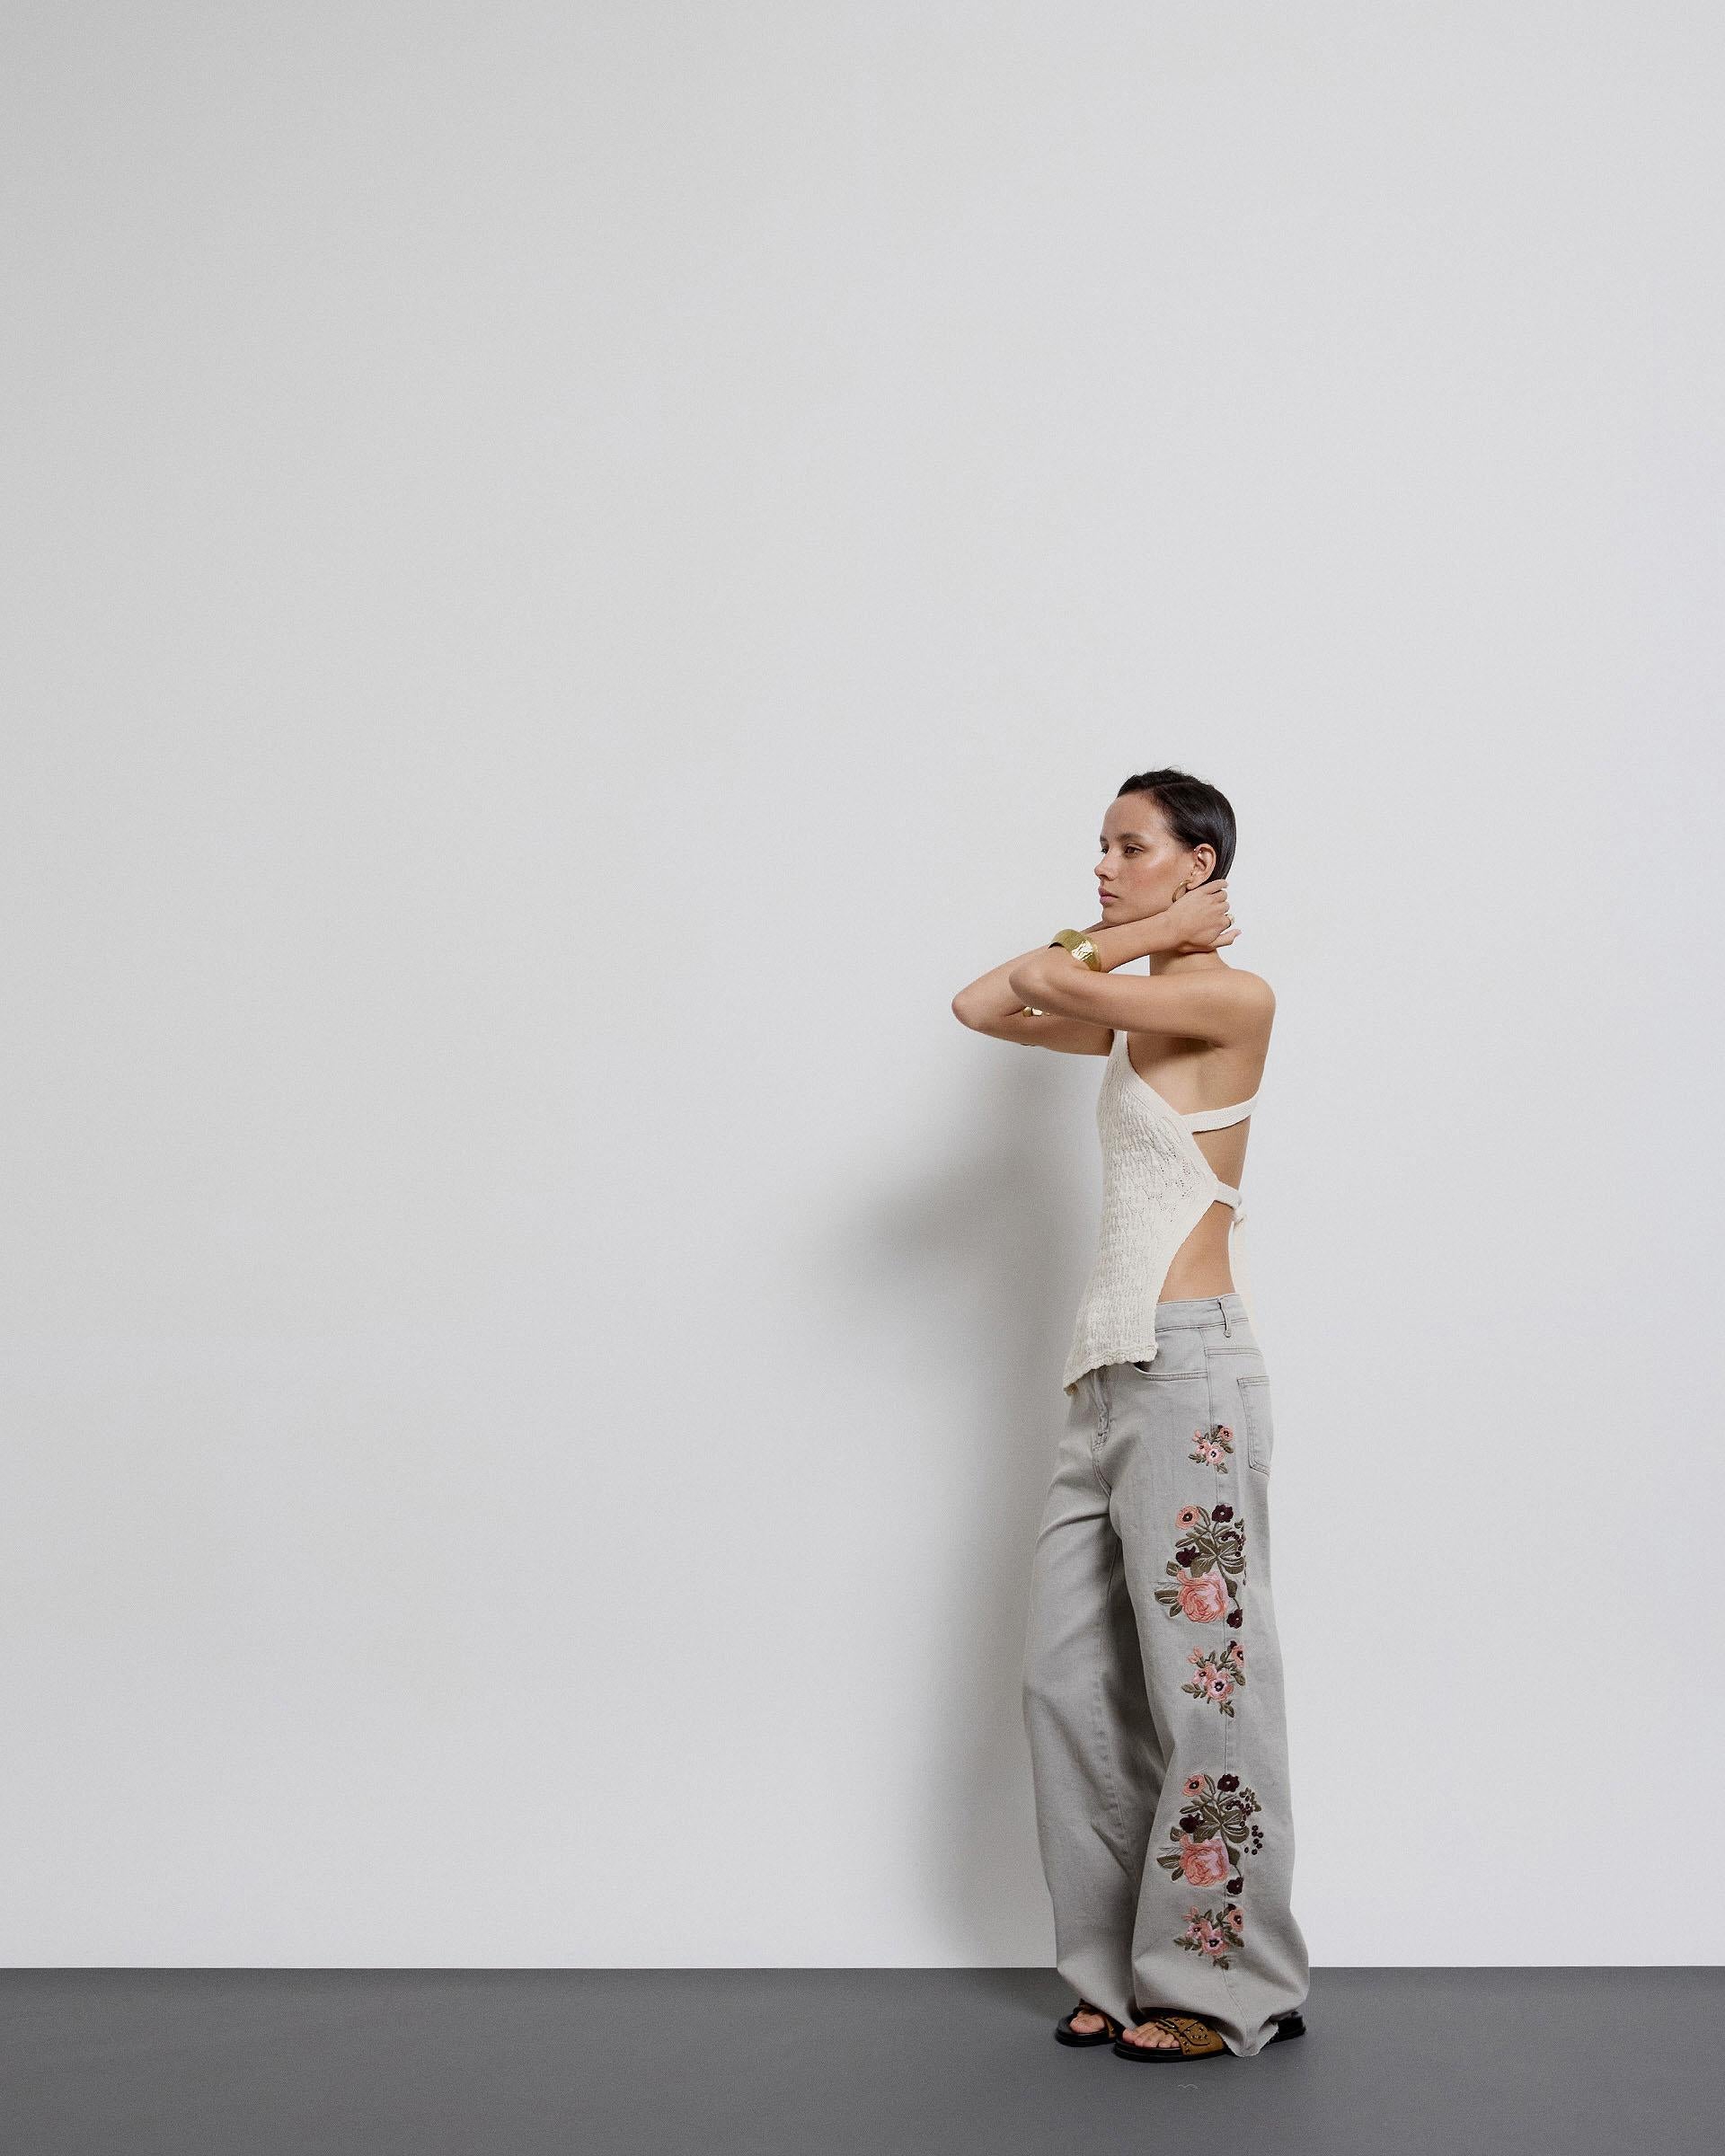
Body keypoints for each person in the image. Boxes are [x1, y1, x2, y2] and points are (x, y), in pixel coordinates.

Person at [950, 768, 1311, 2063]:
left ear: (1200, 864)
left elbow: (1045, 979)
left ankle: (1225, 1988)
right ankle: (1116, 1965)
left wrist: (1157, 940)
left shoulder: (1230, 997)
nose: (1102, 868)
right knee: (1069, 1684)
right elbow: (982, 1001)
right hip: (1101, 1376)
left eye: (1131, 848)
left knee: (1207, 1686)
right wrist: (1151, 930)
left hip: (1189, 1373)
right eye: (1099, 847)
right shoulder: (1135, 1007)